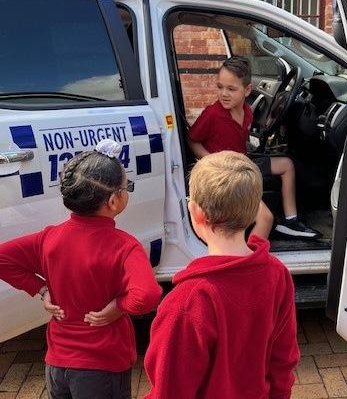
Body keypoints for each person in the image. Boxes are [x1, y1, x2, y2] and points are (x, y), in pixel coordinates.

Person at [0, 139, 162, 399]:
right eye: (127, 186)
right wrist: (119, 306)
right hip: (103, 365)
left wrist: (41, 289)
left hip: (57, 363)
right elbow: (147, 295)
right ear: (113, 201)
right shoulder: (125, 246)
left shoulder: (50, 238)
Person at [143, 151, 300, 399]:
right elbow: (283, 357)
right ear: (254, 211)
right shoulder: (277, 273)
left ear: (195, 212)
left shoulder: (186, 303)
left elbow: (169, 390)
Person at [188, 56, 320, 239]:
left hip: (243, 162)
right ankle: (250, 253)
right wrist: (212, 160)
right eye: (220, 87)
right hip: (227, 174)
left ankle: (290, 220)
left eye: (231, 89)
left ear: (247, 90)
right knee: (266, 218)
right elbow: (192, 140)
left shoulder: (248, 112)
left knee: (287, 165)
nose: (224, 94)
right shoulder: (212, 114)